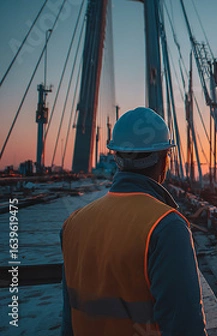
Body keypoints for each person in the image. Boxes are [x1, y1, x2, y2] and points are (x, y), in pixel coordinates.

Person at [61, 107, 207, 336]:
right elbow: (185, 326)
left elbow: (68, 320)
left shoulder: (74, 224)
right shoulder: (166, 227)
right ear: (163, 160)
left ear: (117, 158)